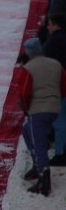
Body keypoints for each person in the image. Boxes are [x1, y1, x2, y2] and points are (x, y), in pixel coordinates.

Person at [19, 37, 66, 196]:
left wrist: (26, 108)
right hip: (54, 107)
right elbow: (64, 86)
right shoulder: (56, 64)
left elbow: (24, 91)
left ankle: (43, 179)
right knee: (27, 131)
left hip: (38, 110)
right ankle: (36, 166)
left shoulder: (29, 68)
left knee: (38, 142)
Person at [43, 14, 66, 166]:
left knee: (59, 120)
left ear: (56, 25)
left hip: (59, 86)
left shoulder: (53, 42)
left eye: (49, 24)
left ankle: (61, 153)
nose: (48, 27)